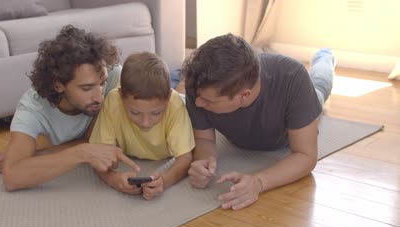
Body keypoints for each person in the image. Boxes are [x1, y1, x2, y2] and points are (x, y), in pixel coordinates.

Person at [183, 33, 335, 210]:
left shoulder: (292, 77)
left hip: (293, 120)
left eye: (208, 101)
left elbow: (305, 157)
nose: (198, 103)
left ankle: (325, 56)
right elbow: (205, 139)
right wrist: (204, 162)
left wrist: (259, 182)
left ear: (243, 96)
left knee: (319, 85)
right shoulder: (199, 86)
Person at [0, 25, 140, 191]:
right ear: (58, 86)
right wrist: (82, 152)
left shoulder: (112, 73)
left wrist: (35, 156)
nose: (99, 97)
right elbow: (12, 177)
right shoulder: (32, 108)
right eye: (86, 88)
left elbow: (97, 138)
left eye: (102, 84)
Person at [89, 52, 195, 200]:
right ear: (121, 96)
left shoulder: (174, 104)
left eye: (156, 113)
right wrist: (113, 179)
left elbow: (185, 158)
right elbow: (97, 154)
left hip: (182, 101)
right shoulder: (113, 100)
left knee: (187, 93)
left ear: (168, 98)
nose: (146, 122)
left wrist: (164, 181)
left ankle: (182, 80)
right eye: (135, 112)